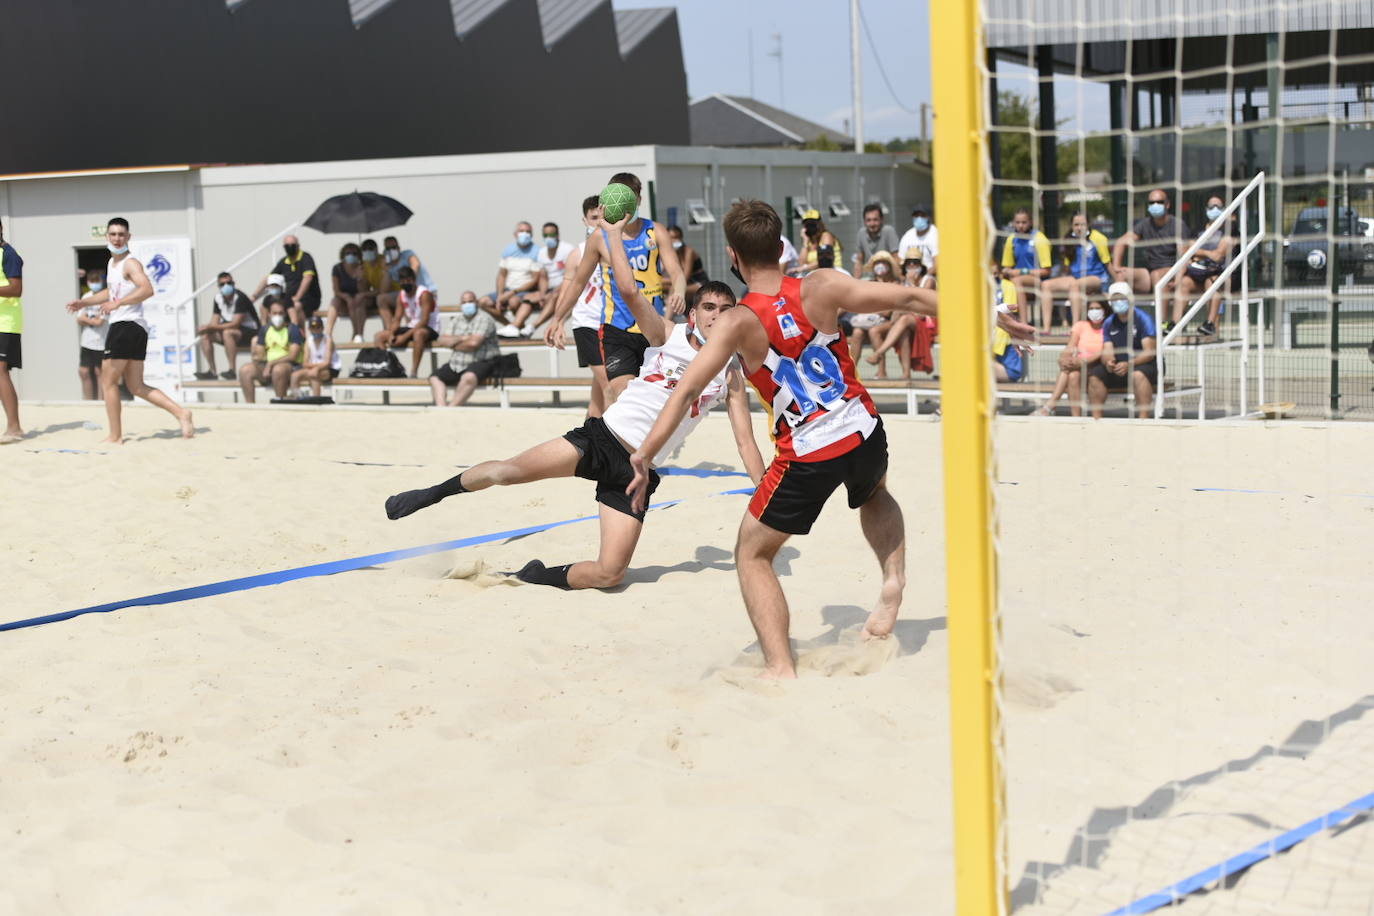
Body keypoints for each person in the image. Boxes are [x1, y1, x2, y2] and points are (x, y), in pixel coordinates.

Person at [626, 199, 940, 679]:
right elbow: (911, 299)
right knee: (874, 491)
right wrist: (989, 311)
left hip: (808, 449)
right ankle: (892, 580)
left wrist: (644, 454)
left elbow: (686, 389)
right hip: (861, 426)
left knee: (752, 554)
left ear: (733, 256)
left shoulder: (735, 323)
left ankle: (779, 667)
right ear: (781, 246)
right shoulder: (822, 284)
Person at [386, 215, 763, 592]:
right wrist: (613, 235)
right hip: (603, 439)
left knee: (610, 575)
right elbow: (630, 292)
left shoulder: (730, 374)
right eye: (709, 307)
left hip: (637, 473)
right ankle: (432, 493)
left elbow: (745, 441)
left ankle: (532, 575)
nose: (717, 315)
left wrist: (764, 494)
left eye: (725, 309)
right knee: (507, 472)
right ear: (693, 313)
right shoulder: (668, 334)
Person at [545, 172, 687, 403]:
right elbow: (579, 281)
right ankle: (616, 437)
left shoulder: (655, 231)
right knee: (622, 391)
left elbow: (677, 272)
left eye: (627, 199)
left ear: (638, 200)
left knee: (657, 395)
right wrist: (558, 318)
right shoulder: (600, 238)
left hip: (653, 326)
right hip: (616, 327)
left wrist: (679, 291)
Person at [64, 218, 195, 441]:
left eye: (121, 234)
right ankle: (182, 413)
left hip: (125, 326)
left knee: (108, 383)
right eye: (113, 234)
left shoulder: (131, 263)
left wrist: (118, 304)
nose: (117, 238)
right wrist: (84, 303)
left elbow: (147, 289)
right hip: (134, 328)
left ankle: (115, 436)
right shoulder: (112, 264)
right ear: (107, 237)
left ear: (128, 237)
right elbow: (111, 292)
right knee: (136, 386)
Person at [1111, 189, 1193, 332]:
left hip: (1173, 271)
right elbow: (1121, 242)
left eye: (1159, 202)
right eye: (1152, 202)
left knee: (1158, 275)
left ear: (1167, 205)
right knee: (1121, 275)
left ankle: (1162, 323)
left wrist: (1178, 278)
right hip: (1150, 273)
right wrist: (1117, 266)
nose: (1155, 205)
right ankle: (1122, 324)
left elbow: (1185, 258)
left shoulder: (1177, 225)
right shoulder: (1144, 224)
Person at [560, 196, 612, 418]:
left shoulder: (616, 248)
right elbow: (568, 288)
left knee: (598, 394)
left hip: (611, 323)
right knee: (610, 384)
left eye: (602, 217)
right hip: (587, 324)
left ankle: (589, 435)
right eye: (593, 218)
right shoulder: (578, 253)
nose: (598, 222)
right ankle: (615, 444)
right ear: (584, 220)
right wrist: (558, 320)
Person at [1087, 281, 1159, 419]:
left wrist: (1129, 364)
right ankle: (1097, 420)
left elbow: (1149, 352)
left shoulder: (1143, 319)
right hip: (1120, 366)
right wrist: (1109, 362)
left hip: (1145, 365)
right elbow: (1107, 350)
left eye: (1121, 298)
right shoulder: (1109, 322)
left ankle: (1143, 419)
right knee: (1095, 375)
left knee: (1138, 374)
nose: (1118, 302)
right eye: (1114, 300)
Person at [1039, 212, 1111, 334]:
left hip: (1097, 278)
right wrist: (1061, 280)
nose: (1079, 228)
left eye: (1082, 224)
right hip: (1076, 278)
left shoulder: (1098, 238)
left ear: (1088, 224)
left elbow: (1107, 263)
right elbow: (1067, 267)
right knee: (1046, 285)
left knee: (1075, 285)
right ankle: (1046, 328)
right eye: (1076, 224)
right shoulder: (1069, 240)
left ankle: (1075, 327)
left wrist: (1117, 280)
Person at [1033, 297, 1107, 416]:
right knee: (1072, 374)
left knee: (1071, 370)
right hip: (1077, 366)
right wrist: (1064, 358)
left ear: (1105, 310)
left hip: (1097, 366)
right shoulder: (1080, 325)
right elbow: (1070, 346)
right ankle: (1075, 417)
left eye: (1098, 308)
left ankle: (1050, 406)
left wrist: (1083, 361)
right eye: (1091, 308)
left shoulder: (1108, 327)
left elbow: (1103, 351)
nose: (1094, 311)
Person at [430, 291, 501, 407]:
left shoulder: (484, 319)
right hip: (457, 362)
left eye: (470, 301)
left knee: (469, 377)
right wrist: (464, 337)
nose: (467, 304)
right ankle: (441, 407)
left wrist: (453, 343)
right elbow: (442, 340)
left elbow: (473, 344)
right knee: (435, 378)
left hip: (482, 361)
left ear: (476, 303)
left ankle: (452, 408)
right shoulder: (456, 320)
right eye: (464, 302)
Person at [1178, 194, 1233, 337]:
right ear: (1205, 209)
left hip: (1222, 276)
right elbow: (1186, 252)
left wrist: (1198, 251)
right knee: (1184, 282)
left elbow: (1219, 256)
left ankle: (1211, 324)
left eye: (1218, 206)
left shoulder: (1230, 231)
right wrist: (1207, 253)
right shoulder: (1197, 231)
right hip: (1199, 275)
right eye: (1211, 206)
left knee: (1212, 283)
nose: (1214, 209)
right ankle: (1175, 324)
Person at [481, 221, 546, 338]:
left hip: (524, 291)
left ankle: (514, 327)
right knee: (483, 302)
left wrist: (512, 292)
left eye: (528, 231)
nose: (524, 234)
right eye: (521, 231)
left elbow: (535, 279)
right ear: (515, 234)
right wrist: (500, 296)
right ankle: (511, 326)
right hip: (507, 290)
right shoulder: (508, 250)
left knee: (513, 302)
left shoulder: (537, 251)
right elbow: (502, 274)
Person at [847, 251, 905, 378]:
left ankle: (882, 371)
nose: (880, 265)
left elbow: (888, 311)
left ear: (889, 265)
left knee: (874, 331)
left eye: (883, 262)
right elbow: (861, 305)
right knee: (857, 332)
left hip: (890, 323)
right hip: (870, 322)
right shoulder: (869, 283)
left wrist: (872, 308)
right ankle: (852, 372)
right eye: (877, 263)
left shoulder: (895, 284)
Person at [375, 265, 438, 377]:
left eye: (408, 280)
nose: (406, 284)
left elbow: (424, 320)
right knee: (379, 336)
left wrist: (404, 337)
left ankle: (414, 371)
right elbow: (397, 318)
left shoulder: (424, 294)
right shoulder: (401, 295)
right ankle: (388, 367)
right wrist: (392, 333)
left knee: (419, 334)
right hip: (412, 327)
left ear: (414, 280)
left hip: (429, 328)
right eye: (403, 281)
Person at [237, 296, 302, 404]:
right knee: (245, 370)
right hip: (267, 365)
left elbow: (293, 355)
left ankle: (280, 403)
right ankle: (250, 406)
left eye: (280, 313)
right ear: (269, 314)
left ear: (285, 314)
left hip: (288, 366)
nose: (277, 316)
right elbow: (260, 354)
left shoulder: (292, 329)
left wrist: (271, 363)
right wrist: (258, 355)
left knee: (278, 369)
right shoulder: (265, 330)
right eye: (275, 313)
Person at [195, 271, 258, 380]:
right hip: (234, 333)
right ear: (219, 286)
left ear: (233, 283)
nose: (226, 286)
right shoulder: (218, 298)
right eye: (222, 284)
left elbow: (235, 323)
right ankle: (212, 372)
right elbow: (214, 321)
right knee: (205, 336)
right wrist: (206, 329)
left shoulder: (240, 297)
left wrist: (209, 327)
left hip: (251, 332)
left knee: (227, 332)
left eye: (229, 283)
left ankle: (232, 370)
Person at [253, 235, 319, 327]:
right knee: (264, 306)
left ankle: (300, 334)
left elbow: (308, 278)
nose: (290, 248)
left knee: (295, 306)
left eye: (292, 245)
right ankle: (265, 333)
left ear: (298, 245)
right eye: (287, 246)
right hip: (288, 298)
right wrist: (254, 296)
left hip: (307, 299)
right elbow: (269, 278)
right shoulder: (284, 261)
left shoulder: (305, 258)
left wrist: (297, 297)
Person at [1001, 208, 1052, 325]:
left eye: (1024, 222)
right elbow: (1007, 266)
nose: (1020, 225)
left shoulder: (1040, 238)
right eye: (1017, 222)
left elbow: (1046, 271)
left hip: (1040, 282)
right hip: (1017, 282)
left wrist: (1022, 271)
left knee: (1017, 281)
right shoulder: (1012, 239)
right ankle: (1007, 321)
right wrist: (1006, 271)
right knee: (1006, 284)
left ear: (1030, 222)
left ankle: (1023, 323)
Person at [377, 236, 435, 334]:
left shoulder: (407, 254)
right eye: (388, 249)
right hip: (407, 295)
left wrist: (409, 282)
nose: (391, 250)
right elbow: (383, 290)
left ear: (399, 248)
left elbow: (416, 265)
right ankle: (389, 331)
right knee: (381, 298)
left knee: (413, 316)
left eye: (394, 247)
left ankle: (411, 334)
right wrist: (386, 270)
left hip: (422, 293)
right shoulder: (389, 265)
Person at [527, 221, 575, 337]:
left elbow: (570, 277)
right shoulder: (542, 253)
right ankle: (516, 328)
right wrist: (543, 295)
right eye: (546, 236)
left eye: (552, 235)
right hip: (551, 290)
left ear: (558, 235)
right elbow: (543, 277)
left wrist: (555, 292)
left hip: (567, 287)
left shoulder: (568, 249)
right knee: (527, 299)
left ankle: (537, 326)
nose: (549, 238)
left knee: (555, 296)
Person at [325, 241, 376, 342]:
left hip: (362, 300)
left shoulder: (363, 267)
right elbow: (336, 290)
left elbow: (364, 291)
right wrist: (347, 297)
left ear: (359, 255)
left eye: (354, 253)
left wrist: (360, 279)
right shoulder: (338, 268)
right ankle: (327, 334)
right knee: (335, 301)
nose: (351, 255)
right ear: (343, 255)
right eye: (348, 253)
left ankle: (358, 334)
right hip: (345, 300)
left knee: (358, 301)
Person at [0, 219, 23, 443]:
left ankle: (14, 428)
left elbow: (16, 289)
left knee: (1, 371)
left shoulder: (9, 254)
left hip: (6, 323)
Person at [75, 269, 109, 401]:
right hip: (87, 341)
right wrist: (92, 320)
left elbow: (101, 322)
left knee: (99, 372)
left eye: (97, 281)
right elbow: (79, 318)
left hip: (101, 341)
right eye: (92, 281)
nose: (94, 284)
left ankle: (101, 401)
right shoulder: (86, 297)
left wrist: (88, 319)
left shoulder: (106, 297)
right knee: (83, 372)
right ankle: (88, 401)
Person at [291, 315, 341, 397]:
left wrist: (316, 368)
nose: (315, 330)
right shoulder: (308, 341)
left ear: (322, 328)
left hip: (331, 369)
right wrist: (316, 367)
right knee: (294, 375)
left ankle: (316, 399)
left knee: (313, 375)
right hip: (314, 368)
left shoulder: (328, 341)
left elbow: (327, 363)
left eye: (318, 327)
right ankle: (297, 396)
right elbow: (305, 363)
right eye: (313, 328)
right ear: (309, 329)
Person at [852, 202, 900, 277]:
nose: (872, 224)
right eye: (868, 220)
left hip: (888, 276)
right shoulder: (861, 233)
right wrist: (855, 282)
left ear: (881, 220)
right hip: (870, 276)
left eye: (875, 220)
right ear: (864, 221)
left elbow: (896, 258)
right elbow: (859, 261)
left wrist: (897, 279)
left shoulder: (888, 231)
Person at [896, 204, 939, 287]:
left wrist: (920, 276)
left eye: (922, 215)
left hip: (929, 277)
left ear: (929, 218)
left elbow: (938, 265)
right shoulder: (907, 236)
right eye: (916, 216)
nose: (919, 218)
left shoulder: (935, 234)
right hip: (908, 277)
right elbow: (899, 263)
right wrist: (905, 278)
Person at [668, 225, 709, 302]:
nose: (675, 240)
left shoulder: (688, 252)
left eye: (677, 237)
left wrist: (662, 280)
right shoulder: (671, 253)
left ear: (681, 238)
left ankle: (667, 313)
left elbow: (684, 278)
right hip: (687, 284)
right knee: (659, 286)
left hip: (700, 284)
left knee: (674, 289)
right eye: (672, 238)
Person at [797, 208, 841, 274]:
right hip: (815, 275)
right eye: (807, 224)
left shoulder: (826, 236)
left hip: (833, 273)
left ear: (819, 224)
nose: (810, 226)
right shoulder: (808, 242)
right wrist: (805, 242)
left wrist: (805, 268)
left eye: (813, 223)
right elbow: (801, 264)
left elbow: (825, 260)